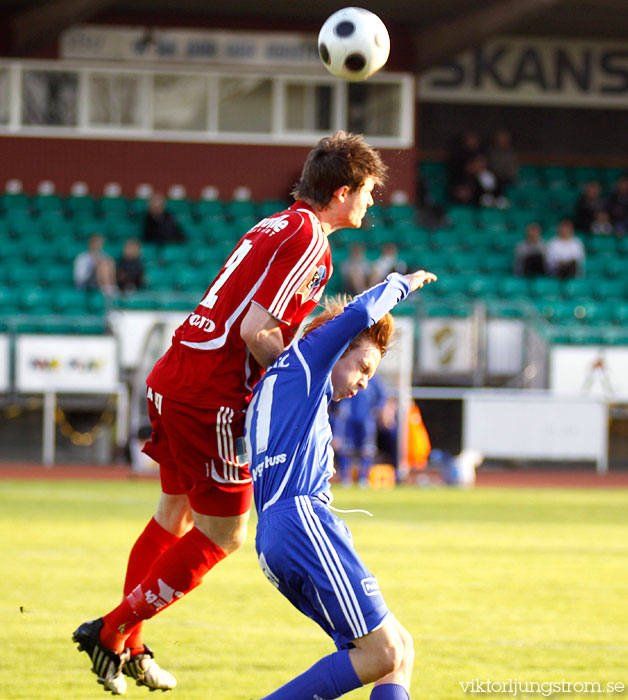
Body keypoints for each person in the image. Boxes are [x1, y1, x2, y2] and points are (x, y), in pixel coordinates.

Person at [72, 130, 388, 695]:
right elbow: (256, 331)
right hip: (210, 396)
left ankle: (131, 645)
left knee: (174, 516)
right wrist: (301, 386)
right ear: (342, 191)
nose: (371, 201)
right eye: (367, 190)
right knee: (226, 534)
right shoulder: (311, 240)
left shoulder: (277, 223)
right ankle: (110, 631)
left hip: (175, 374)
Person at [245, 269, 437, 700]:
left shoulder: (281, 383)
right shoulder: (309, 362)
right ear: (337, 348)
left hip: (282, 531)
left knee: (399, 649)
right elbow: (360, 312)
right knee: (384, 652)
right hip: (300, 521)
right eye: (364, 366)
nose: (366, 381)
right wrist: (401, 283)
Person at [330, 373, 387, 487]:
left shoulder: (373, 380)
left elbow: (382, 396)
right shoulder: (348, 375)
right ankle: (345, 478)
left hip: (366, 419)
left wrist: (376, 411)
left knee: (367, 449)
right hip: (347, 420)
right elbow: (334, 399)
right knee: (345, 448)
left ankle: (363, 478)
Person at [486, 128, 519, 194]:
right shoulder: (491, 153)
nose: (502, 140)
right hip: (494, 178)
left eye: (505, 138)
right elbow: (491, 167)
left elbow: (513, 171)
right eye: (501, 138)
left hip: (507, 179)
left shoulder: (511, 153)